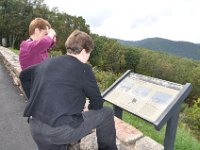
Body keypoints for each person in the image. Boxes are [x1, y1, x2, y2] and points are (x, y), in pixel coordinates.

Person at [19, 30, 118, 150]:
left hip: (35, 127)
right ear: (83, 52)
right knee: (107, 113)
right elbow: (97, 102)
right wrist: (89, 108)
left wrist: (33, 98)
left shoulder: (47, 62)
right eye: (89, 52)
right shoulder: (83, 69)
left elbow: (23, 75)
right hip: (60, 131)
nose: (89, 56)